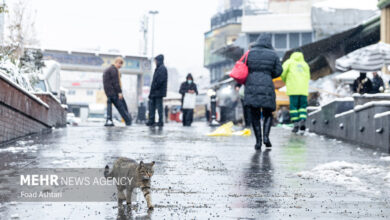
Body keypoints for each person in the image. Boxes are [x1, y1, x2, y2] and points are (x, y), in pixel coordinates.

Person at [244, 34, 283, 150]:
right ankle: (266, 137)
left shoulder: (250, 53)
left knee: (254, 114)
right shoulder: (273, 54)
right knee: (268, 113)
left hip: (252, 86)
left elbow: (243, 68)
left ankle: (258, 141)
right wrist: (268, 74)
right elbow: (279, 71)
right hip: (267, 85)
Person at [281, 51, 310, 133]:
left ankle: (296, 124)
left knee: (294, 107)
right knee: (302, 106)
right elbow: (308, 76)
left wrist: (286, 80)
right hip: (303, 89)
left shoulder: (289, 62)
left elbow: (282, 73)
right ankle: (302, 120)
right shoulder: (305, 64)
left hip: (293, 89)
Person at [103, 57, 132, 126]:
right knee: (121, 107)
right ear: (116, 62)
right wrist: (119, 92)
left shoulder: (109, 69)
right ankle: (128, 121)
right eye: (120, 64)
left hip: (108, 92)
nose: (120, 66)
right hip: (113, 92)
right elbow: (116, 83)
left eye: (121, 64)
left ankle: (109, 120)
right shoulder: (114, 70)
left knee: (110, 106)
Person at [147, 54, 168, 127]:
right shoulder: (158, 68)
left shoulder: (162, 69)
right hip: (154, 92)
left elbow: (160, 81)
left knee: (159, 107)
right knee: (152, 106)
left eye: (156, 61)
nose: (155, 62)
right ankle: (151, 120)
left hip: (158, 92)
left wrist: (154, 86)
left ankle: (160, 121)